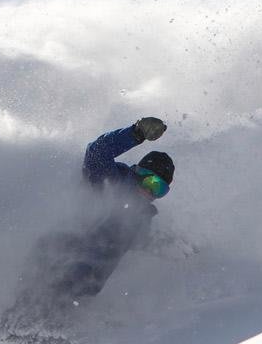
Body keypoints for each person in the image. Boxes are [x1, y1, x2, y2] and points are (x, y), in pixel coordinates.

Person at [47, 116, 174, 304]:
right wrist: (136, 133)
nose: (150, 192)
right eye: (151, 182)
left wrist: (175, 247)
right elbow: (97, 152)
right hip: (53, 261)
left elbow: (143, 244)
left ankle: (50, 319)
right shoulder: (112, 182)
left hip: (77, 293)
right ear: (138, 172)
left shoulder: (141, 219)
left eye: (159, 189)